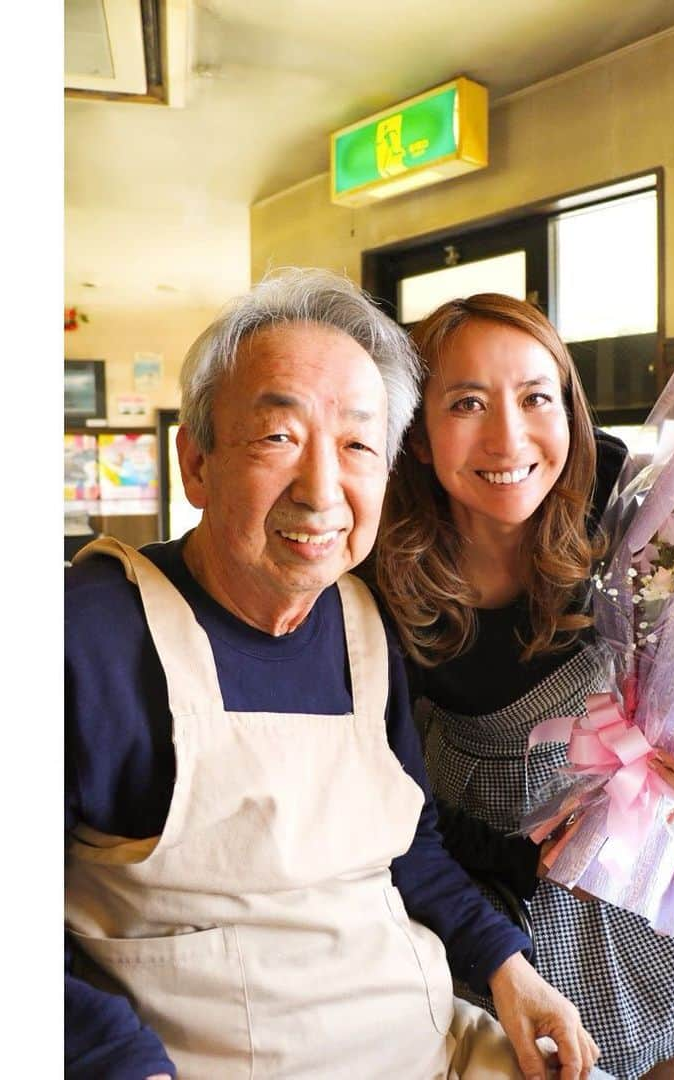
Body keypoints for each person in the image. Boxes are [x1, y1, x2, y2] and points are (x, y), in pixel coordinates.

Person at [65, 270, 602, 1080]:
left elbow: (408, 843)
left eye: (356, 444)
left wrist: (511, 973)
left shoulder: (362, 621)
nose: (322, 491)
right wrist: (116, 1060)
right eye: (279, 438)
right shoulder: (85, 634)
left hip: (433, 1043)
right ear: (197, 461)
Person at [373, 294, 674, 1080]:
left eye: (534, 398)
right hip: (479, 867)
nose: (507, 436)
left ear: (568, 409)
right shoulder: (380, 566)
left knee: (663, 1044)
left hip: (634, 844)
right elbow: (389, 796)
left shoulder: (619, 494)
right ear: (416, 433)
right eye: (467, 403)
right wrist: (522, 863)